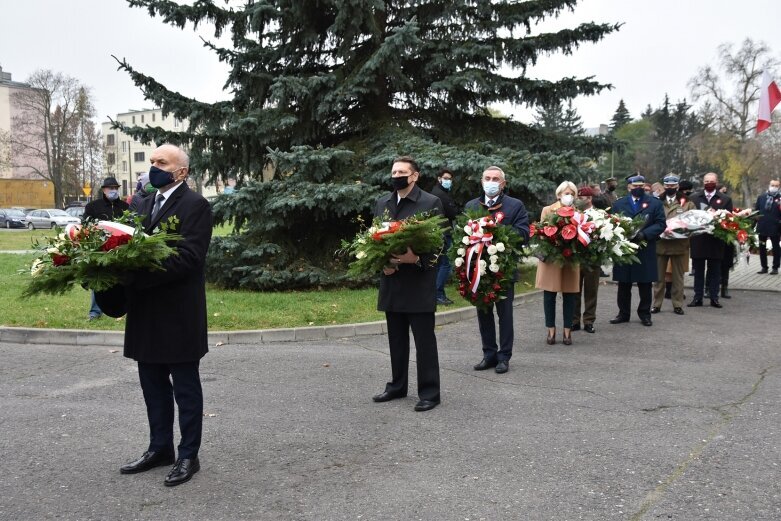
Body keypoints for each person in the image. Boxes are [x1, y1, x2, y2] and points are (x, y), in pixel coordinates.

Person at [112, 144, 213, 486]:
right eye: (152, 161)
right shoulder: (141, 202)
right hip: (145, 313)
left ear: (181, 171)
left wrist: (135, 274)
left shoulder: (195, 205)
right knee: (152, 385)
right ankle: (160, 448)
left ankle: (188, 455)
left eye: (161, 163)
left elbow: (188, 258)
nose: (153, 167)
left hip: (178, 315)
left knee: (185, 388)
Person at [372, 156, 443, 412]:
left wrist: (417, 259)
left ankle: (429, 393)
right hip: (392, 282)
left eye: (402, 171)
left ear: (414, 176)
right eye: (394, 171)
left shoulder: (430, 202)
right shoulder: (384, 203)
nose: (396, 175)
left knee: (424, 342)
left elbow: (438, 244)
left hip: (418, 283)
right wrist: (383, 262)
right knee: (396, 340)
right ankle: (397, 386)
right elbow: (374, 239)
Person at [466, 166, 529, 372]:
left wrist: (493, 230)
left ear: (503, 184)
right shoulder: (472, 205)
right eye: (487, 178)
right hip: (479, 271)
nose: (491, 181)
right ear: (481, 181)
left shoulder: (515, 205)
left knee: (505, 315)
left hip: (504, 271)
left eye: (495, 179)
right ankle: (489, 354)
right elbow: (462, 234)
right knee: (483, 313)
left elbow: (523, 233)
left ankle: (504, 357)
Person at [609, 174, 666, 326]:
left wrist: (644, 234)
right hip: (625, 248)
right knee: (623, 284)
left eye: (640, 186)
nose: (638, 189)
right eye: (635, 187)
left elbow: (661, 224)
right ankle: (623, 313)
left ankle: (645, 314)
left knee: (645, 284)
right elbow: (612, 223)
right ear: (629, 187)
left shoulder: (654, 203)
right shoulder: (619, 204)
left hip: (645, 248)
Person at [534, 181, 580, 345]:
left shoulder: (578, 212)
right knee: (549, 295)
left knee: (569, 294)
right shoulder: (548, 210)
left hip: (570, 258)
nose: (569, 196)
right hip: (552, 258)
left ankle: (567, 331)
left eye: (572, 194)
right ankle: (550, 330)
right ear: (559, 194)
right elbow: (542, 233)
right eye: (566, 193)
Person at [83, 177, 129, 321]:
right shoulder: (93, 207)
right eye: (111, 188)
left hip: (121, 249)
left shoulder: (125, 207)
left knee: (121, 280)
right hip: (100, 250)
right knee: (99, 280)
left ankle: (121, 310)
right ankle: (95, 312)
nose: (114, 191)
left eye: (116, 188)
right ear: (104, 189)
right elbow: (85, 226)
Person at [651, 174, 695, 315]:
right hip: (661, 244)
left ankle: (677, 304)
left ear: (677, 186)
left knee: (678, 278)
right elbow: (651, 219)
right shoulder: (657, 201)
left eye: (673, 185)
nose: (670, 187)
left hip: (679, 245)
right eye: (667, 185)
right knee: (658, 278)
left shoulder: (687, 202)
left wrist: (683, 228)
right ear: (664, 186)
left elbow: (693, 222)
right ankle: (656, 304)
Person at [688, 172, 733, 308]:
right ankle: (697, 297)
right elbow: (688, 217)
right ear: (703, 182)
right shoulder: (694, 198)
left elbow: (729, 219)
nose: (709, 183)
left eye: (711, 181)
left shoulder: (725, 199)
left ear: (717, 182)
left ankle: (714, 297)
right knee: (698, 271)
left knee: (715, 271)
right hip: (699, 239)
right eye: (706, 181)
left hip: (716, 240)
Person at [572, 186, 600, 334]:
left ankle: (589, 321)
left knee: (591, 290)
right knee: (574, 290)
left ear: (589, 199)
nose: (578, 200)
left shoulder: (599, 215)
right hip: (576, 258)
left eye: (580, 198)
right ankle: (574, 321)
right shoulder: (573, 213)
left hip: (592, 258)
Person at [430, 168, 459, 305]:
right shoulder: (441, 195)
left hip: (436, 232)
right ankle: (438, 295)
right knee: (445, 264)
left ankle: (434, 294)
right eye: (446, 178)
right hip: (443, 232)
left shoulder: (436, 193)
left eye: (450, 179)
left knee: (439, 264)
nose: (448, 181)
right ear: (439, 178)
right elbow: (453, 213)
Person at [754, 178, 781, 274]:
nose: (774, 187)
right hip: (763, 226)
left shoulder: (780, 198)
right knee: (762, 247)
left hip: (775, 227)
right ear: (769, 185)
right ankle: (764, 267)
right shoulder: (762, 197)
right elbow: (756, 211)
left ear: (779, 187)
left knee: (776, 247)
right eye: (772, 185)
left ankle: (775, 267)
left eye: (776, 186)